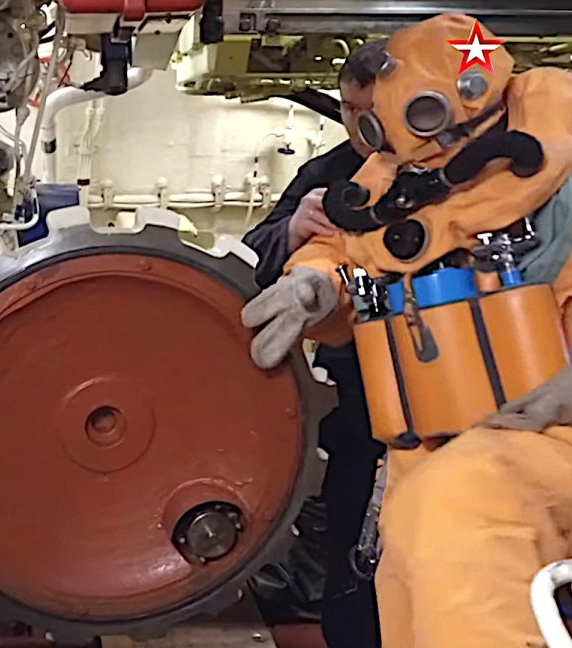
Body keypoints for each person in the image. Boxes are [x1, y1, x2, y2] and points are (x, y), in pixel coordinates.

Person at [242, 13, 572, 647]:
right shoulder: (399, 173)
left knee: (463, 507)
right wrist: (314, 283)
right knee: (410, 563)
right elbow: (353, 242)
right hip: (434, 442)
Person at [242, 40, 389, 648]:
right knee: (350, 540)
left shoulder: (458, 171)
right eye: (348, 109)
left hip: (451, 385)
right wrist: (291, 232)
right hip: (356, 390)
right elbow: (253, 255)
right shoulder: (330, 176)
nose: (358, 125)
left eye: (370, 111)